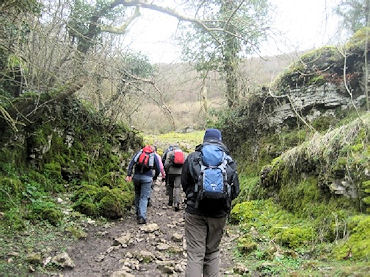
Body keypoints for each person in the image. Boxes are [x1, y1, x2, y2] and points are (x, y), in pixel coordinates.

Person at [181, 128, 240, 276]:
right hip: (219, 214)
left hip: (195, 211)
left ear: (204, 139)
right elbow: (235, 190)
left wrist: (193, 196)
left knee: (195, 254)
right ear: (220, 140)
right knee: (212, 253)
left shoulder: (193, 157)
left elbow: (184, 183)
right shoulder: (228, 160)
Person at [125, 145, 161, 224]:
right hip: (147, 179)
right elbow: (158, 168)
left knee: (137, 194)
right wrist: (154, 177)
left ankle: (137, 213)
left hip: (136, 177)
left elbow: (131, 163)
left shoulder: (139, 153)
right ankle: (142, 216)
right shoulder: (153, 156)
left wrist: (129, 174)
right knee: (144, 197)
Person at [163, 146, 185, 211]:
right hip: (179, 173)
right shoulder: (183, 154)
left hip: (171, 172)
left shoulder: (170, 153)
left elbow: (166, 164)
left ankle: (170, 201)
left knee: (171, 186)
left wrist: (166, 171)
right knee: (177, 187)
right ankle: (177, 203)